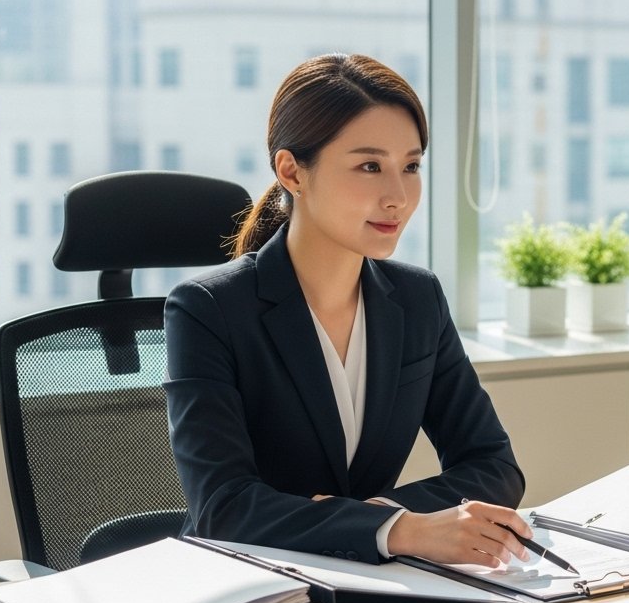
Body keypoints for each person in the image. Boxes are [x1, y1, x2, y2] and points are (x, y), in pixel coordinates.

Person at [166, 54, 533, 568]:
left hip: (373, 582)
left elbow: (494, 465)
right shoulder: (208, 309)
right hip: (250, 592)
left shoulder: (417, 298)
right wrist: (398, 529)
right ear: (292, 172)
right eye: (369, 166)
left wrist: (384, 520)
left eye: (410, 166)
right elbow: (221, 508)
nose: (399, 197)